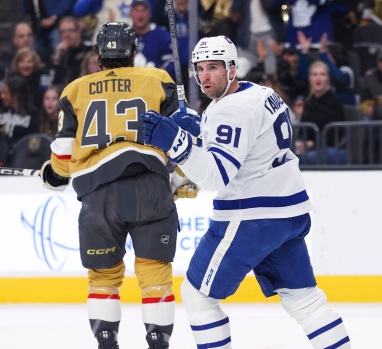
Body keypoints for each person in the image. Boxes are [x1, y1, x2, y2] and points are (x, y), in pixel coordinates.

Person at [139, 35, 352, 348]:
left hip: (251, 216)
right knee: (305, 300)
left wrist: (177, 143)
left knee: (197, 295)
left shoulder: (231, 110)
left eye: (214, 67)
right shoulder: (262, 93)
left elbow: (217, 175)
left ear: (232, 68)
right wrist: (200, 132)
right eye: (200, 68)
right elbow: (247, 148)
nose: (205, 75)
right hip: (289, 213)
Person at [38, 22, 195, 349]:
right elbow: (180, 137)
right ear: (134, 52)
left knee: (103, 279)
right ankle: (158, 342)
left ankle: (107, 342)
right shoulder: (159, 80)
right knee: (155, 277)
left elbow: (63, 158)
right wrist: (181, 178)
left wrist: (53, 174)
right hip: (150, 187)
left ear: (98, 55)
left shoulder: (75, 89)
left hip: (99, 195)